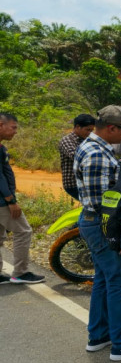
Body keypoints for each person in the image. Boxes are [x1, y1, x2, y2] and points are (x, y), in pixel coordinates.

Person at [74, 106, 121, 360]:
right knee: (119, 280)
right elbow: (101, 203)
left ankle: (99, 335)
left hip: (94, 221)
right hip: (101, 223)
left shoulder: (96, 147)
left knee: (103, 278)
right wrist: (116, 233)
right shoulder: (96, 154)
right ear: (112, 128)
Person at [0, 112, 45, 285]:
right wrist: (11, 201)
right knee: (23, 231)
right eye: (13, 128)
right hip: (2, 201)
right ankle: (20, 272)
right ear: (1, 125)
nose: (15, 131)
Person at [58, 113, 95, 200]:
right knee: (91, 204)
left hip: (86, 181)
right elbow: (76, 157)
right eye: (87, 130)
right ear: (78, 127)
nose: (90, 133)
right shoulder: (67, 140)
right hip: (73, 183)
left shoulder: (87, 140)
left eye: (91, 130)